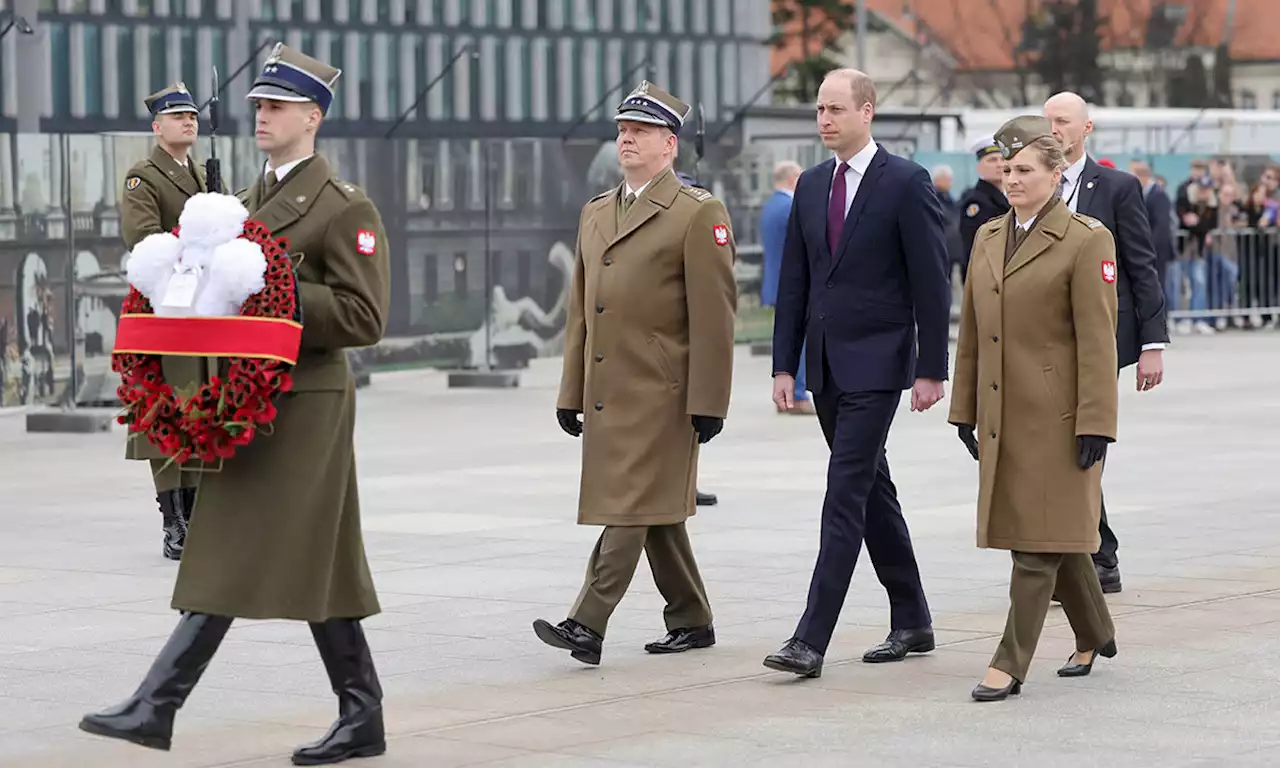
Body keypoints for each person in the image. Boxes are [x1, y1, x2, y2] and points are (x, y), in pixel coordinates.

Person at [81, 44, 391, 765]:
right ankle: (361, 715)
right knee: (312, 565)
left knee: (232, 548)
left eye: (277, 106)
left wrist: (270, 286)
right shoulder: (237, 207)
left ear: (312, 118)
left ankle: (156, 704)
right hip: (245, 405)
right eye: (258, 105)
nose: (263, 116)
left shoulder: (345, 209)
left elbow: (364, 316)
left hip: (305, 407)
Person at [533, 80, 737, 666]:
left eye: (641, 132)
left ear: (669, 145)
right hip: (608, 392)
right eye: (623, 130)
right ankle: (691, 618)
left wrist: (710, 401)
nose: (627, 139)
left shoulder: (698, 214)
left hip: (664, 394)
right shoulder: (596, 213)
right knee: (655, 511)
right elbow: (580, 312)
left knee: (627, 506)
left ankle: (586, 623)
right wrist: (570, 389)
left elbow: (715, 317)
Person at [763, 69, 951, 679]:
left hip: (879, 362)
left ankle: (809, 640)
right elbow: (796, 281)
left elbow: (931, 281)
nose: (824, 120)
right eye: (819, 109)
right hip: (824, 365)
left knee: (843, 493)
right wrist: (783, 364)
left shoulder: (905, 182)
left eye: (836, 109)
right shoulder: (812, 186)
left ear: (867, 112)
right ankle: (914, 619)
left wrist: (931, 369)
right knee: (872, 491)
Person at [949, 116, 1120, 701]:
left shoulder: (1086, 238)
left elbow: (1098, 339)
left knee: (1036, 540)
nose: (1011, 178)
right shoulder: (989, 235)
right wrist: (964, 407)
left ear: (1055, 174)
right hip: (1003, 412)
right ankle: (1095, 630)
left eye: (1024, 169)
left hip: (1059, 416)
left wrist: (1096, 420)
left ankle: (1009, 660)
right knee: (1056, 531)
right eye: (1006, 168)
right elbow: (973, 330)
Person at [1043, 91, 1169, 594]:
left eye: (1064, 121)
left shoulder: (1115, 186)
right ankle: (1096, 552)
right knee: (1059, 448)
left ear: (1086, 128)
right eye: (1048, 120)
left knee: (1084, 441)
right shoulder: (1032, 182)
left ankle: (1095, 556)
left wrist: (1153, 342)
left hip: (1100, 339)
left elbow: (1141, 262)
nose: (1054, 129)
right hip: (1046, 341)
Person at [119, 82, 207, 561]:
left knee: (196, 410)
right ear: (157, 128)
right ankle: (173, 521)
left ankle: (194, 513)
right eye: (177, 116)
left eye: (191, 115)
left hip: (198, 309)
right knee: (163, 414)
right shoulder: (144, 176)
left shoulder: (200, 174)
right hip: (161, 307)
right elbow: (143, 239)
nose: (188, 122)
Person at [759, 161, 813, 414]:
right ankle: (797, 395)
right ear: (793, 178)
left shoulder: (771, 206)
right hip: (792, 284)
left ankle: (786, 394)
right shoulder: (791, 207)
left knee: (786, 339)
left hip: (775, 280)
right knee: (799, 341)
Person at [957, 137, 1010, 284]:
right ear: (979, 166)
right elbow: (976, 247)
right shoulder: (976, 202)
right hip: (986, 278)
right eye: (992, 160)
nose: (999, 165)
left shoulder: (1009, 197)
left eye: (1002, 159)